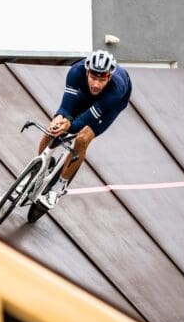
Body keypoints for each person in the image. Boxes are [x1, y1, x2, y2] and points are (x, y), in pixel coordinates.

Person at [37, 49, 132, 209]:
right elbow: (66, 106)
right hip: (85, 94)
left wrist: (70, 125)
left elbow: (84, 120)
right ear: (87, 72)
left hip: (110, 104)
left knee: (82, 138)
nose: (96, 84)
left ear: (109, 76)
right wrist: (60, 118)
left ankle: (61, 186)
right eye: (93, 78)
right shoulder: (75, 72)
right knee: (54, 127)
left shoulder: (116, 89)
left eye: (101, 80)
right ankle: (39, 169)